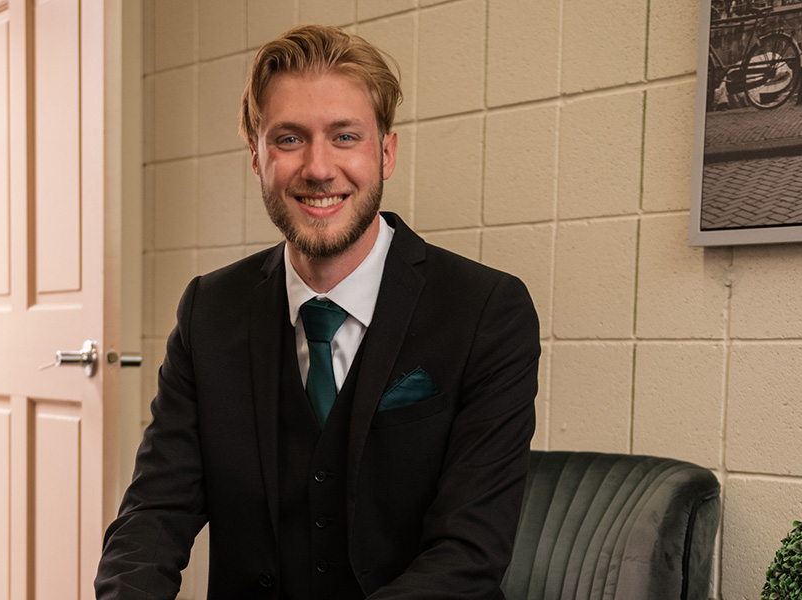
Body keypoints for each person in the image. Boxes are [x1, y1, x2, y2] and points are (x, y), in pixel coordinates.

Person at [95, 24, 540, 600]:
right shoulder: (210, 310)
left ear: (386, 152)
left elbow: (468, 555)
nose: (319, 168)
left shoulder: (487, 311)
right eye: (288, 139)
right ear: (256, 159)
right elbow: (152, 514)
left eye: (345, 136)